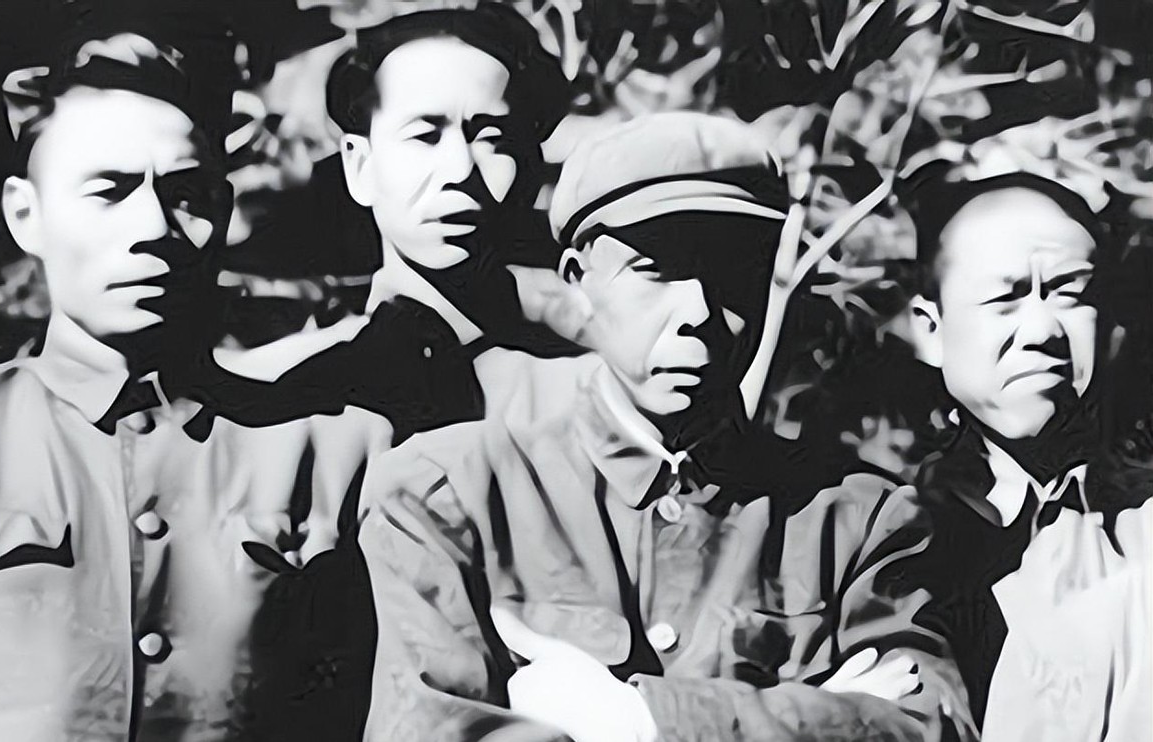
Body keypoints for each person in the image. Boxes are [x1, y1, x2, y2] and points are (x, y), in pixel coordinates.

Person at [357, 112, 976, 742]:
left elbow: (932, 726)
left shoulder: (858, 522)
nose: (698, 311)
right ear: (578, 282)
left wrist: (641, 722)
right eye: (654, 268)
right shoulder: (446, 496)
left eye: (733, 271)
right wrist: (817, 717)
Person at [0, 33, 383, 741]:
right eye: (108, 190)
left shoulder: (334, 451)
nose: (154, 226)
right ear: (26, 215)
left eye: (186, 195)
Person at [198, 2, 581, 445]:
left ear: (530, 165)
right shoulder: (282, 399)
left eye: (492, 139)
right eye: (424, 135)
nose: (459, 169)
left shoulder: (597, 378)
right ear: (360, 166)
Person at [897, 172, 1152, 738]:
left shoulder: (1143, 524)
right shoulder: (867, 531)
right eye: (1003, 298)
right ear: (930, 329)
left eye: (1070, 294)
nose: (1042, 330)